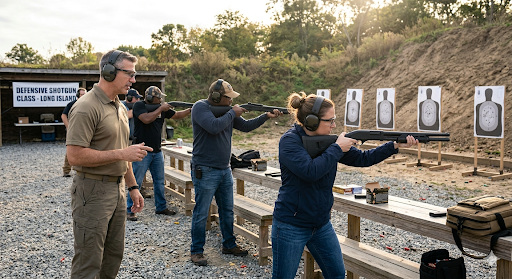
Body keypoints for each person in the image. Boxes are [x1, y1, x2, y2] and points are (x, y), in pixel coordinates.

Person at [271, 92, 418, 279]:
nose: (334, 125)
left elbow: (363, 158)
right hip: (291, 225)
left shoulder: (331, 143)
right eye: (329, 120)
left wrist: (394, 146)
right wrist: (337, 148)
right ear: (311, 122)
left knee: (337, 275)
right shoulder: (289, 141)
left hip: (321, 224)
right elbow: (310, 172)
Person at [66, 50, 153, 279]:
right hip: (92, 191)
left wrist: (133, 188)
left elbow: (123, 154)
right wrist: (123, 153)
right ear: (109, 72)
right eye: (129, 74)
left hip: (117, 190)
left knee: (113, 257)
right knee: (88, 262)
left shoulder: (120, 107)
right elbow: (75, 156)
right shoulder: (86, 107)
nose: (133, 80)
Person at [189, 79, 282, 266]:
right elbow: (214, 127)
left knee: (227, 211)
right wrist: (232, 113)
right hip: (205, 169)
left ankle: (229, 244)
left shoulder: (227, 113)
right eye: (228, 97)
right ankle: (197, 251)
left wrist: (265, 116)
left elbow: (246, 127)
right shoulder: (200, 107)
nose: (231, 101)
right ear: (216, 96)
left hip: (224, 169)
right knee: (201, 212)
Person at [126, 86, 192, 221]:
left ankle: (161, 207)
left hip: (157, 150)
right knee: (135, 182)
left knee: (160, 182)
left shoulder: (161, 108)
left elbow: (177, 115)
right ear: (150, 98)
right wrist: (161, 109)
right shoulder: (139, 105)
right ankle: (130, 210)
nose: (161, 100)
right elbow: (146, 119)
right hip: (142, 150)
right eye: (158, 98)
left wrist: (191, 109)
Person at [61, 87, 86, 177]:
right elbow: (64, 115)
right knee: (71, 150)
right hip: (73, 130)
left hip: (84, 130)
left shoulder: (87, 104)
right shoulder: (71, 104)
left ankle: (81, 169)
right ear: (77, 95)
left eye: (85, 94)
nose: (84, 96)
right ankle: (66, 170)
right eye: (82, 94)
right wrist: (69, 127)